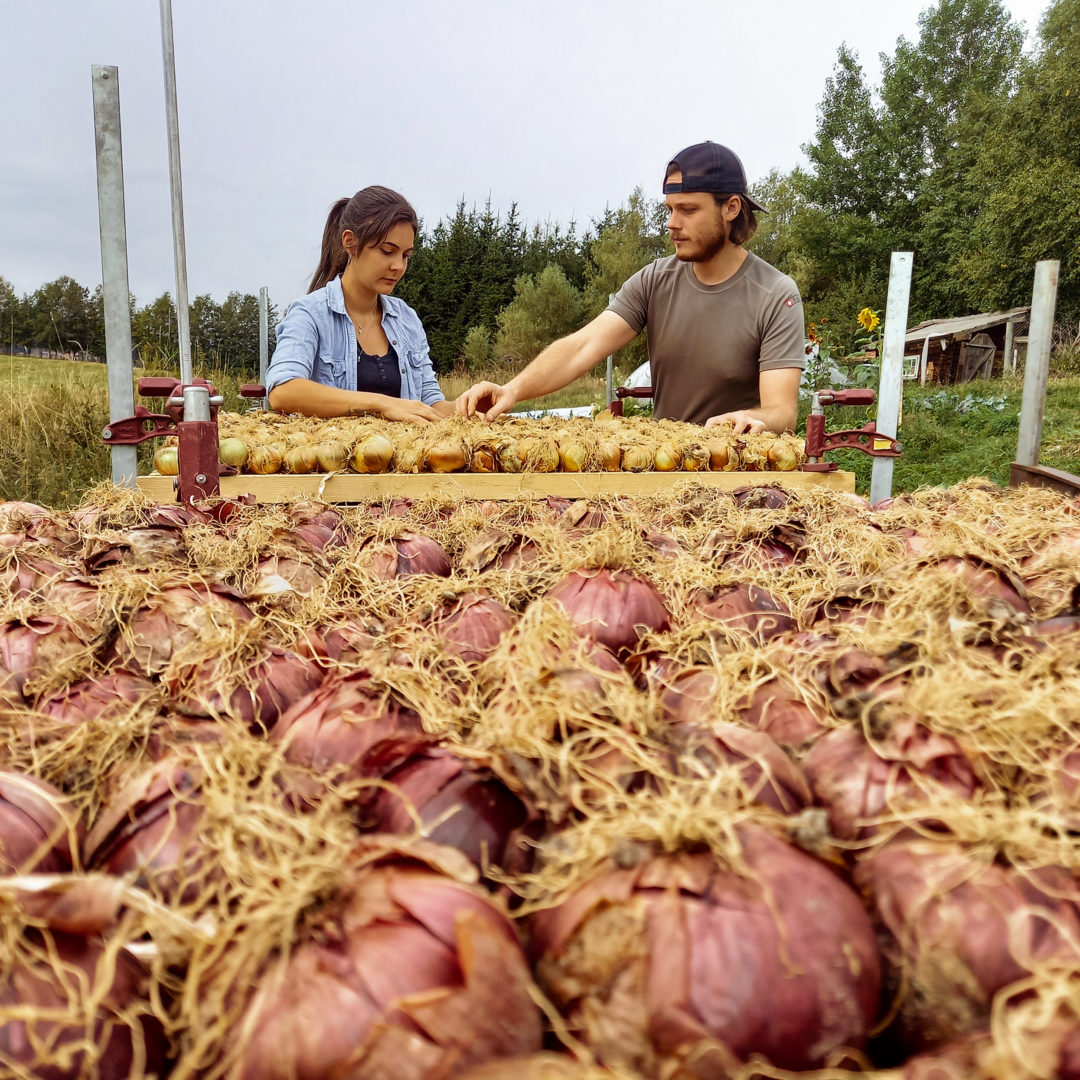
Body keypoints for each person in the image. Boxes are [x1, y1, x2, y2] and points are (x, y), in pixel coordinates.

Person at [457, 142, 805, 434]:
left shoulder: (775, 294)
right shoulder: (654, 280)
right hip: (666, 472)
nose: (672, 223)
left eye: (687, 210)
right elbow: (583, 346)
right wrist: (511, 389)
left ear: (731, 208)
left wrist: (753, 419)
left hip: (742, 480)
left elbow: (781, 412)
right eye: (669, 209)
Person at [266, 186, 454, 421]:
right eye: (387, 251)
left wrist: (468, 408)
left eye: (406, 255)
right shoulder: (310, 314)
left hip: (406, 457)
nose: (398, 266)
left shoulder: (407, 319)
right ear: (350, 242)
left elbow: (430, 402)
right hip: (333, 456)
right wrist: (380, 405)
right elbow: (283, 391)